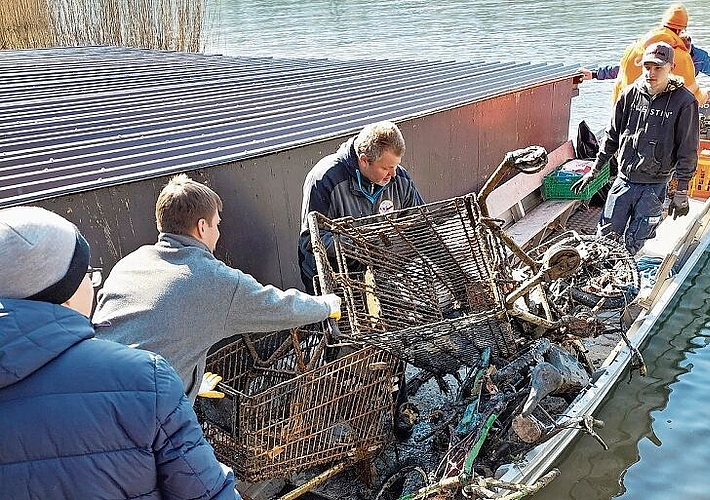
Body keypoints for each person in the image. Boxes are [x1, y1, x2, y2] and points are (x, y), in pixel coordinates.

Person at [0, 206, 240, 500]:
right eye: (87, 274)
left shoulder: (135, 263)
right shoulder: (146, 380)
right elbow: (208, 493)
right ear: (65, 292)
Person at [93, 174, 341, 401]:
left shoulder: (130, 264)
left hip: (93, 390)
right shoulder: (212, 279)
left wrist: (184, 380)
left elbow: (144, 332)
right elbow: (279, 307)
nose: (217, 232)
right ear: (202, 227)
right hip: (143, 412)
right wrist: (326, 305)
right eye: (216, 224)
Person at [573, 42, 699, 255]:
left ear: (671, 67)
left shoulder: (684, 102)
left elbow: (688, 150)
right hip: (623, 181)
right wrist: (594, 170)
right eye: (647, 67)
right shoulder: (629, 94)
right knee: (604, 240)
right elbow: (611, 136)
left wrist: (682, 191)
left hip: (654, 186)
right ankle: (602, 280)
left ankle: (624, 280)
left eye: (658, 67)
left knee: (633, 243)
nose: (651, 73)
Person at [298, 120, 424, 294]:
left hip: (377, 274)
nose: (393, 174)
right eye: (387, 168)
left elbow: (422, 228)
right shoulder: (324, 179)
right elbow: (310, 238)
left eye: (395, 166)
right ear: (364, 160)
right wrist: (358, 248)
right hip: (333, 277)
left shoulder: (399, 180)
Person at [579, 32, 710, 120]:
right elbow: (623, 69)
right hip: (656, 103)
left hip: (682, 102)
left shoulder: (698, 58)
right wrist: (594, 74)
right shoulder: (657, 56)